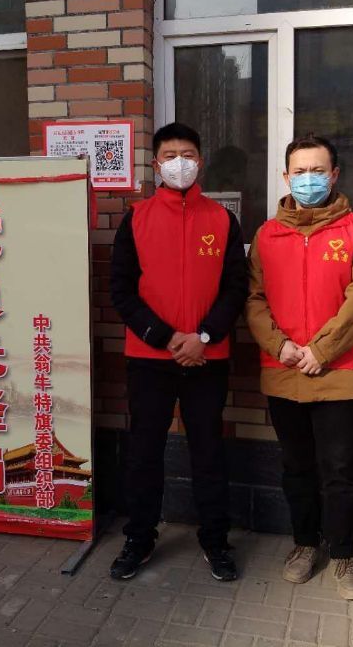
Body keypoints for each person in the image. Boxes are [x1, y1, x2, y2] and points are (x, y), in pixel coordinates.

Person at [245, 134, 353, 600]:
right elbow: (253, 298)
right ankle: (305, 544)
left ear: (334, 175)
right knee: (297, 466)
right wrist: (279, 345)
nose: (309, 179)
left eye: (317, 171)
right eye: (300, 171)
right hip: (283, 368)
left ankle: (343, 554)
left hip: (339, 372)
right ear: (286, 177)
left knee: (340, 470)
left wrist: (322, 350)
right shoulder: (267, 235)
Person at [109, 122, 249, 581]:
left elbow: (236, 288)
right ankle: (139, 538)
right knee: (144, 453)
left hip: (207, 358)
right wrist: (167, 337)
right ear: (156, 164)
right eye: (170, 156)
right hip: (150, 359)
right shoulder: (136, 219)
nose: (179, 163)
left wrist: (202, 337)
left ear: (200, 162)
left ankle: (215, 540)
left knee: (208, 452)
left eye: (187, 155)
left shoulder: (222, 220)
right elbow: (122, 290)